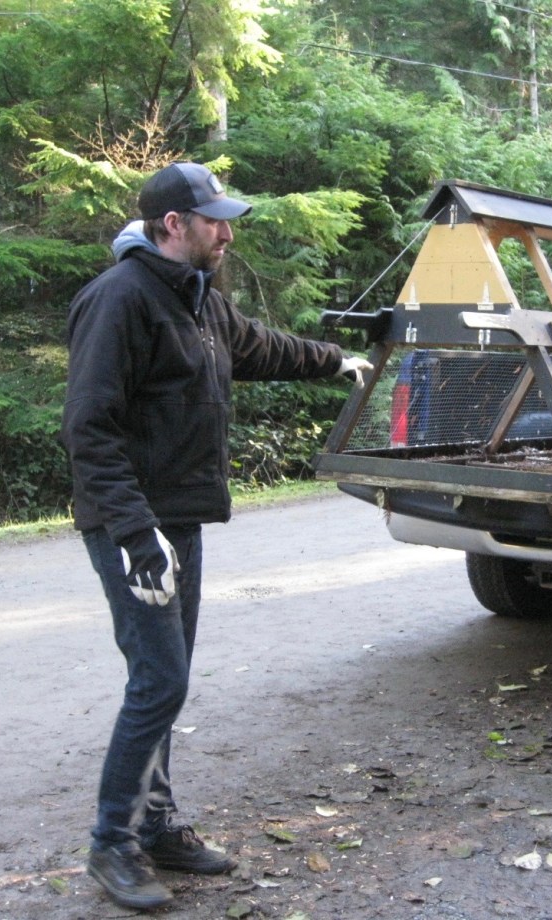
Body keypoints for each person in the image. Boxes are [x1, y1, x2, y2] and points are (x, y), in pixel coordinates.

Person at [61, 162, 372, 910]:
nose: (227, 233)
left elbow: (260, 347)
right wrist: (137, 535)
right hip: (132, 528)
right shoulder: (120, 301)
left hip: (179, 521)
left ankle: (157, 824)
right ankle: (112, 844)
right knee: (159, 680)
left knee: (165, 684)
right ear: (175, 224)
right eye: (215, 221)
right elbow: (89, 430)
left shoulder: (197, 300)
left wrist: (337, 358)